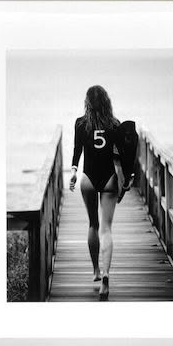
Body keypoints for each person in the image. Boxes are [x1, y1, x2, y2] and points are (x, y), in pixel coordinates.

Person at [68, 85, 127, 301]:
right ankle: (106, 274)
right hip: (110, 178)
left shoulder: (80, 123)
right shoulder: (115, 124)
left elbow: (77, 149)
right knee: (106, 228)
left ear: (87, 103)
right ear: (106, 101)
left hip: (88, 179)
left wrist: (73, 172)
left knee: (93, 224)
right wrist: (123, 182)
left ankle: (95, 270)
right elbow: (119, 159)